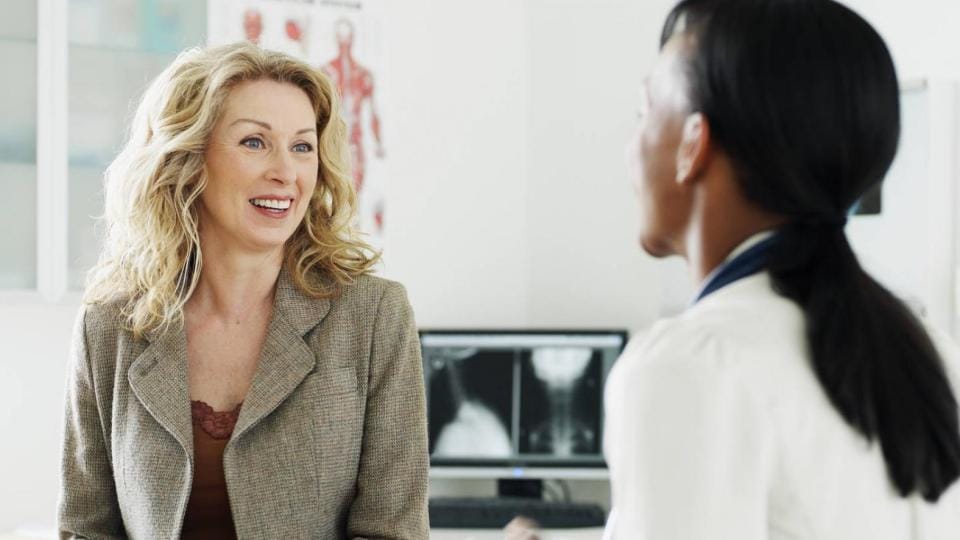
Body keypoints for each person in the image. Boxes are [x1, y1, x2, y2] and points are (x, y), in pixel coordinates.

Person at [604, 0, 960, 538]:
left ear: (692, 145)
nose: (630, 148)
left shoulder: (688, 366)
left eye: (645, 109)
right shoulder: (930, 355)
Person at [57, 42, 428, 539]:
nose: (286, 172)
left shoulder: (374, 315)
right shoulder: (109, 325)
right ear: (190, 157)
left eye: (302, 146)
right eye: (254, 142)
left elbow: (393, 530)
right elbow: (86, 528)